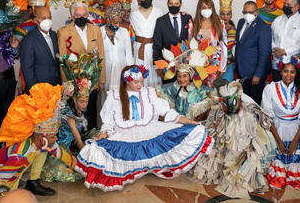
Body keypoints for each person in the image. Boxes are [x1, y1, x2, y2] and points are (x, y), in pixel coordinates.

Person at [76, 65, 212, 191]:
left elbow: (167, 112)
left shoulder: (149, 93)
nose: (140, 85)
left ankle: (154, 167)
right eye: (136, 82)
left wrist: (188, 121)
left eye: (142, 81)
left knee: (193, 131)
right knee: (99, 150)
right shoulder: (114, 96)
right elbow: (108, 122)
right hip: (125, 134)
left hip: (150, 129)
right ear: (127, 81)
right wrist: (102, 135)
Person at [0, 83, 74, 200]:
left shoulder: (41, 142)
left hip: (12, 178)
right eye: (53, 137)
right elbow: (0, 184)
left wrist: (85, 167)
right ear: (42, 137)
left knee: (43, 152)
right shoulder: (20, 155)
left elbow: (62, 154)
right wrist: (6, 197)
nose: (56, 139)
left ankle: (28, 185)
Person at [190, 78, 277, 197]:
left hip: (244, 125)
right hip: (226, 123)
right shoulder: (218, 96)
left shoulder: (245, 99)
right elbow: (206, 106)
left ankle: (239, 175)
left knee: (240, 150)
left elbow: (261, 114)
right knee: (221, 146)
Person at [41, 54, 101, 183]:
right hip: (67, 143)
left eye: (86, 101)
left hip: (76, 140)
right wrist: (88, 157)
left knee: (99, 135)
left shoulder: (81, 109)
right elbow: (77, 137)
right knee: (69, 167)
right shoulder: (69, 114)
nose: (85, 105)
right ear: (74, 99)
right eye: (81, 102)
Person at [262, 57, 300, 191]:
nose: (288, 75)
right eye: (285, 71)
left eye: (292, 72)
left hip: (297, 130)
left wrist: (295, 141)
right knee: (276, 164)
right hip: (276, 129)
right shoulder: (270, 89)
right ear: (280, 72)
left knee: (298, 166)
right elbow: (268, 118)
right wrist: (279, 142)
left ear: (296, 73)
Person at [57, 2, 106, 130]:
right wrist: (66, 85)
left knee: (92, 111)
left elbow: (101, 55)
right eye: (78, 15)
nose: (82, 18)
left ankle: (93, 138)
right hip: (74, 83)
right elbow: (63, 60)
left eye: (85, 14)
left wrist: (101, 80)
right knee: (76, 115)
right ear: (72, 16)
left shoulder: (95, 30)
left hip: (92, 80)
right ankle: (78, 142)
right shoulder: (63, 32)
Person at [235, 1, 272, 105]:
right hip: (242, 71)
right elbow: (240, 45)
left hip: (255, 75)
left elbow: (265, 54)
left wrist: (258, 75)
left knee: (254, 104)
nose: (248, 15)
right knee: (244, 103)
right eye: (245, 12)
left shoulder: (263, 28)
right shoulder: (241, 22)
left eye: (251, 12)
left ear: (257, 12)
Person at [187, 0, 227, 85]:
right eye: (203, 8)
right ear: (199, 9)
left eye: (209, 7)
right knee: (199, 89)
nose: (207, 10)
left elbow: (224, 46)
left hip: (215, 64)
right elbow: (190, 45)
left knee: (212, 90)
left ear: (212, 8)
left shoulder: (220, 22)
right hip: (197, 64)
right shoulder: (192, 23)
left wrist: (222, 67)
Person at [20, 5, 60, 92]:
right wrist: (34, 91)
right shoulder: (28, 40)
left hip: (56, 87)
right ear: (35, 20)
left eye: (49, 17)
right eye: (44, 18)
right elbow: (27, 70)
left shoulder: (54, 35)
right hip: (40, 90)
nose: (47, 21)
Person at [271, 0, 300, 82]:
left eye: (288, 5)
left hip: (293, 67)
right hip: (276, 65)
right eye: (284, 4)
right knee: (276, 92)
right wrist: (275, 50)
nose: (285, 6)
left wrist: (284, 51)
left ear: (297, 7)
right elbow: (271, 39)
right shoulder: (277, 20)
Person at [153, 0, 192, 83]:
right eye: (171, 4)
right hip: (167, 66)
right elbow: (157, 45)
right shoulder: (160, 21)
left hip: (185, 66)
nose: (173, 6)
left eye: (176, 4)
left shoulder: (187, 18)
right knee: (168, 93)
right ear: (167, 4)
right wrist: (157, 67)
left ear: (181, 5)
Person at [130, 0, 163, 88]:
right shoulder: (133, 14)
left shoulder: (158, 12)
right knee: (139, 74)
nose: (146, 0)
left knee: (154, 75)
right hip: (139, 48)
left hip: (154, 47)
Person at [100, 3, 133, 93]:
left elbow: (129, 54)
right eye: (115, 22)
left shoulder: (124, 32)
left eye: (120, 22)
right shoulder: (99, 32)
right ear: (108, 20)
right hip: (106, 73)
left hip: (121, 71)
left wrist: (130, 73)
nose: (118, 25)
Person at [213, 0, 238, 82]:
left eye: (228, 14)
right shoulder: (213, 28)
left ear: (231, 15)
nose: (225, 17)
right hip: (214, 65)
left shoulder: (235, 30)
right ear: (219, 14)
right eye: (222, 14)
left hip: (229, 66)